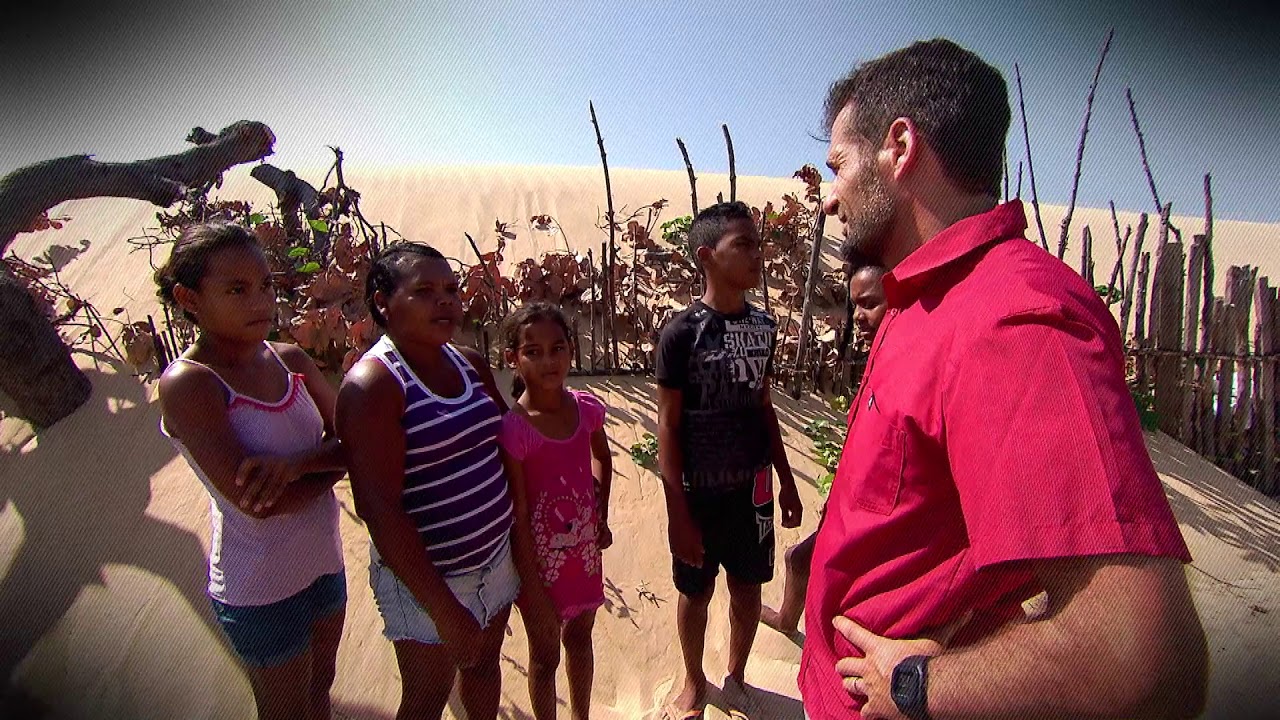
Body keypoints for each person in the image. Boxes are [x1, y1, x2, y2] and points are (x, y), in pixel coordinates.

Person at [800, 39, 1208, 720]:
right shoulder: (924, 299)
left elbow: (1141, 660)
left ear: (898, 148)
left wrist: (922, 686)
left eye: (838, 166)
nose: (829, 200)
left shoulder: (1011, 322)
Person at [155, 222, 348, 720]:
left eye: (265, 285)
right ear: (189, 298)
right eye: (237, 290)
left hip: (325, 564)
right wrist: (332, 460)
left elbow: (354, 442)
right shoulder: (190, 384)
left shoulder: (290, 359)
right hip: (260, 587)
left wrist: (298, 465)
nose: (260, 301)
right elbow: (260, 504)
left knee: (319, 691)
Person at [335, 242, 518, 720]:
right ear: (382, 303)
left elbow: (506, 442)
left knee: (483, 669)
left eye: (451, 289)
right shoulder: (374, 385)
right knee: (425, 699)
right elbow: (378, 508)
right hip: (430, 582)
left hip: (495, 561)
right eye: (423, 291)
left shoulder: (468, 363)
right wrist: (442, 607)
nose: (445, 302)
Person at [655, 201, 804, 719]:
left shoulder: (764, 327)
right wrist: (677, 512)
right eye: (742, 244)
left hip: (754, 490)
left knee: (747, 588)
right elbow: (668, 425)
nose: (755, 254)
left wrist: (786, 479)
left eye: (756, 243)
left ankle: (736, 675)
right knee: (694, 594)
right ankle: (695, 681)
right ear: (706, 256)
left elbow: (763, 405)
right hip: (698, 491)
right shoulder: (680, 333)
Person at [497, 302, 614, 720]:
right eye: (533, 351)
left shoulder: (584, 409)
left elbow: (602, 456)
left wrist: (600, 511)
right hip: (538, 568)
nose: (549, 360)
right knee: (545, 659)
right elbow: (519, 514)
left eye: (558, 348)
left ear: (571, 351)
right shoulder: (516, 429)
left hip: (582, 556)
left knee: (580, 640)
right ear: (513, 357)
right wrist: (533, 584)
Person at [761, 254, 887, 637]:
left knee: (807, 565)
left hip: (872, 517)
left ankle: (797, 626)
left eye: (871, 303)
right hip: (851, 503)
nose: (859, 316)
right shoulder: (879, 356)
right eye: (855, 305)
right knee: (799, 559)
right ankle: (788, 620)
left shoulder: (903, 358)